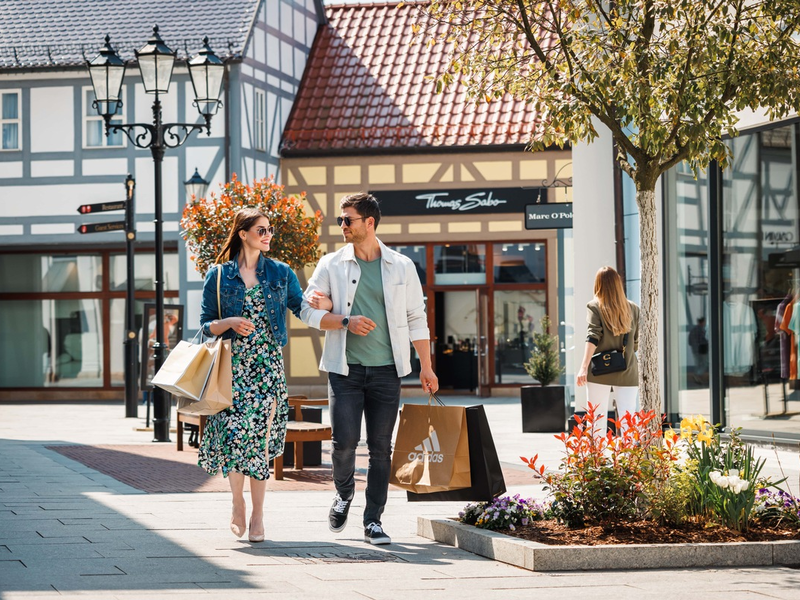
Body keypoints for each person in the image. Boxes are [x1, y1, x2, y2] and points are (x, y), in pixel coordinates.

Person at [301, 192, 438, 546]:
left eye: (348, 220)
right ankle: (344, 492)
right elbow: (307, 311)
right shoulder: (330, 264)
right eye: (341, 220)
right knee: (344, 443)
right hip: (344, 371)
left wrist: (427, 366)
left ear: (370, 223)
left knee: (380, 449)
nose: (342, 226)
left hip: (386, 371)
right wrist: (345, 320)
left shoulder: (402, 266)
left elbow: (415, 319)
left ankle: (373, 520)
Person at [197, 207, 311, 543]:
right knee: (235, 440)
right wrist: (229, 323)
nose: (267, 235)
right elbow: (205, 326)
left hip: (268, 369)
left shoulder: (280, 273)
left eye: (270, 230)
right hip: (232, 370)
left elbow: (301, 307)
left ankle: (259, 516)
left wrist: (332, 306)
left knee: (258, 444)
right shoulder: (218, 275)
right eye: (261, 230)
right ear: (243, 233)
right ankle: (237, 503)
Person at [576, 266, 640, 435]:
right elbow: (636, 342)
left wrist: (583, 367)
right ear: (618, 284)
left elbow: (593, 337)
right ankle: (631, 459)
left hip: (599, 370)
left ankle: (599, 460)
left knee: (596, 419)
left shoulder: (594, 306)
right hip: (627, 368)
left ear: (598, 284)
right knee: (628, 420)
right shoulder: (633, 308)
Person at [688, 317, 708, 384]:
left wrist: (694, 346)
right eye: (704, 322)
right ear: (702, 322)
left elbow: (690, 341)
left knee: (698, 363)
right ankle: (697, 375)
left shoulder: (693, 330)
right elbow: (703, 340)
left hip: (694, 349)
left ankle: (697, 376)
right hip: (701, 349)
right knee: (704, 363)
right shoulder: (701, 330)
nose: (705, 323)